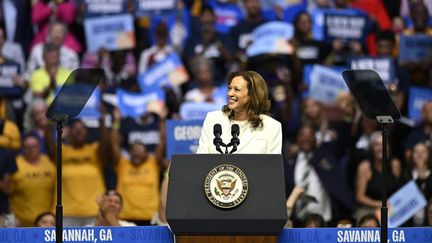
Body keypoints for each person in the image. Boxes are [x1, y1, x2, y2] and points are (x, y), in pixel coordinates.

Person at [196, 71, 282, 154]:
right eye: (229, 88)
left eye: (236, 90)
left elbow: (272, 166)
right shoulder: (212, 119)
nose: (230, 93)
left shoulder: (272, 127)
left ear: (252, 95)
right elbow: (201, 160)